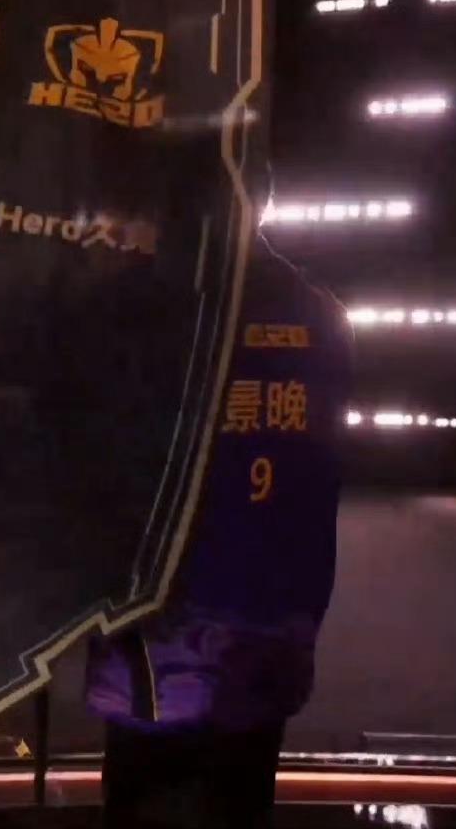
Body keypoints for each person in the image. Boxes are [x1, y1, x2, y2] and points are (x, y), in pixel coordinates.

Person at [83, 243, 352, 829]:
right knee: (241, 804)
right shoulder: (321, 314)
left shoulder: (142, 303)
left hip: (153, 647)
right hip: (270, 635)